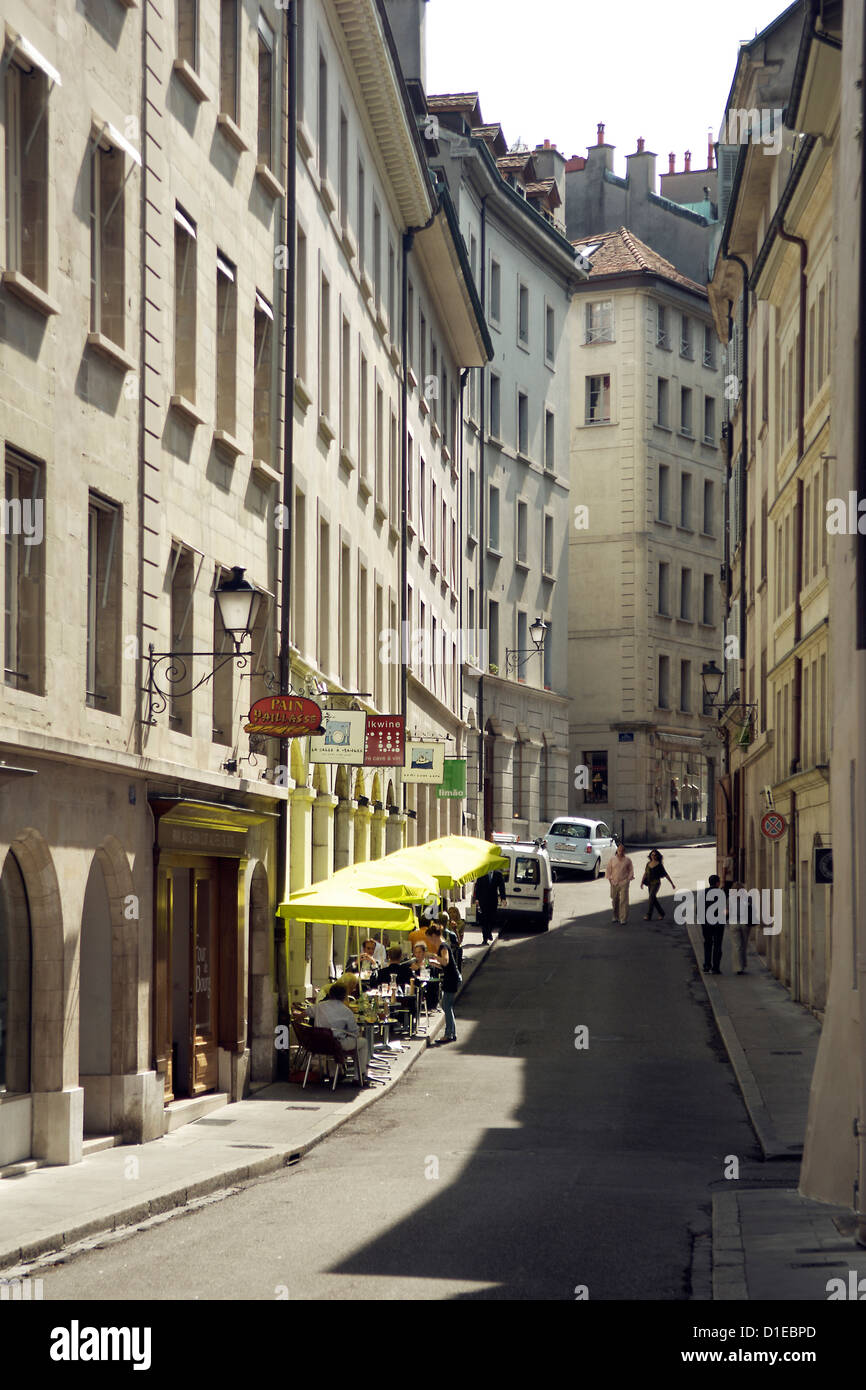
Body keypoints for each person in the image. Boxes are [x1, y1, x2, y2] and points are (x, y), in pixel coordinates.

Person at [313, 983, 368, 1081]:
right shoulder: (346, 1011)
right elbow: (354, 1031)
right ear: (344, 996)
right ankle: (359, 1075)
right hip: (337, 1044)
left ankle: (334, 1073)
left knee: (331, 1038)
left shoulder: (319, 1006)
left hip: (318, 1043)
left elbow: (307, 1012)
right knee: (362, 1043)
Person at [428, 926, 462, 1044]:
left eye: (430, 939)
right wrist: (436, 964)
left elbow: (446, 961)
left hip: (451, 979)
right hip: (452, 977)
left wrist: (434, 956)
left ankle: (449, 1034)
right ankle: (452, 1032)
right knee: (446, 1005)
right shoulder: (444, 945)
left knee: (446, 1005)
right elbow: (444, 965)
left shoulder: (443, 946)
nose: (430, 941)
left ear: (434, 936)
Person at [728, 881, 757, 974]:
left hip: (733, 924)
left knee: (737, 946)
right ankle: (743, 964)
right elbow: (753, 909)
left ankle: (738, 967)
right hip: (745, 924)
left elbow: (726, 911)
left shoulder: (730, 899)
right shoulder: (748, 898)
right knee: (744, 945)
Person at [701, 874, 727, 974]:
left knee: (707, 944)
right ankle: (715, 967)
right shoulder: (721, 893)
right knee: (717, 945)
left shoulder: (703, 893)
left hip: (706, 923)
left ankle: (707, 965)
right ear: (717, 882)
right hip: (718, 923)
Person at [640, 849, 676, 920]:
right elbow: (645, 873)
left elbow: (666, 874)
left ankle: (648, 915)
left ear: (657, 856)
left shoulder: (659, 865)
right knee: (653, 899)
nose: (653, 856)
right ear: (650, 855)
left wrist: (672, 883)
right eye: (652, 855)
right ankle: (661, 913)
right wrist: (641, 882)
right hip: (649, 883)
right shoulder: (648, 864)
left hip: (656, 883)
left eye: (655, 855)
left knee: (651, 897)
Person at [474, 867, 507, 943]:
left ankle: (489, 933)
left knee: (492, 918)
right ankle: (485, 938)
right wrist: (477, 899)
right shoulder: (482, 873)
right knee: (484, 919)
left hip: (493, 900)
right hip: (483, 900)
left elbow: (502, 887)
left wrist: (503, 898)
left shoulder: (498, 874)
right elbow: (478, 887)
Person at [605, 841, 635, 924]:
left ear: (624, 851)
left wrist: (628, 879)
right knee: (615, 900)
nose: (620, 852)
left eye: (622, 851)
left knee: (623, 900)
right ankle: (615, 916)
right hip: (614, 882)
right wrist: (610, 879)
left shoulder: (627, 860)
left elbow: (631, 870)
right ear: (617, 851)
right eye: (619, 850)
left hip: (624, 882)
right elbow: (608, 870)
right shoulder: (612, 859)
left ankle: (623, 918)